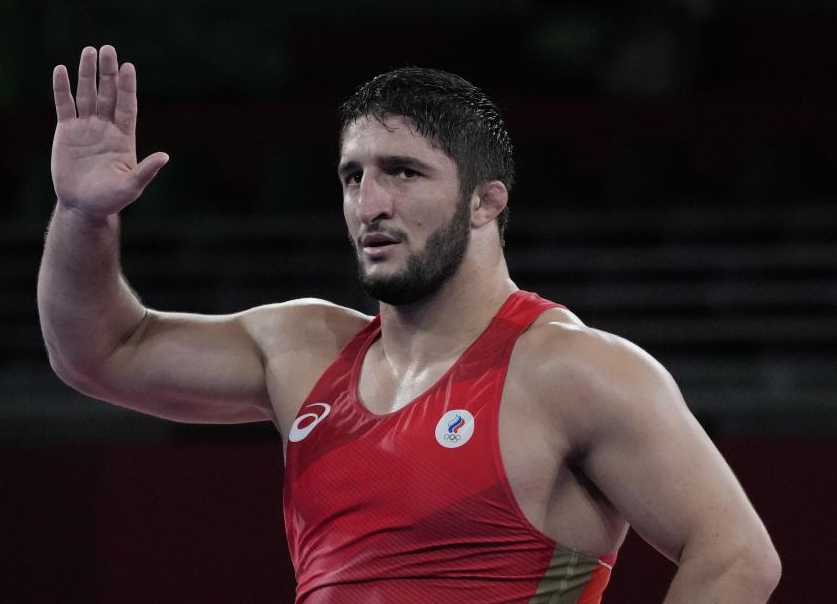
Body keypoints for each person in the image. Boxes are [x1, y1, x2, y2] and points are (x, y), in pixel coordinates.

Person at [38, 45, 780, 603]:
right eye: (353, 176)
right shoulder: (300, 349)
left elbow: (737, 554)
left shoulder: (572, 371)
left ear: (487, 202)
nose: (370, 203)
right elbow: (102, 352)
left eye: (404, 172)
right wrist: (83, 216)